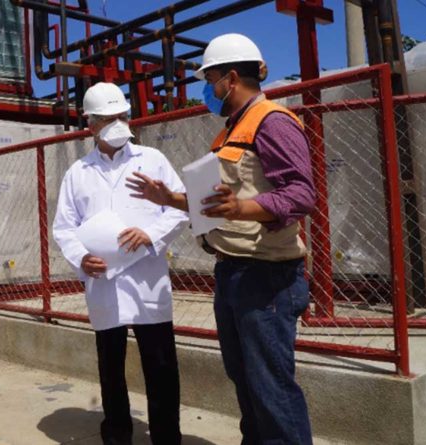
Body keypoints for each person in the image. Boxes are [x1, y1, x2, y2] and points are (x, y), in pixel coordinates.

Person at [126, 33, 316, 444]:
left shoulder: (272, 121)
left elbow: (302, 194)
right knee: (245, 378)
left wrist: (242, 209)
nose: (205, 89)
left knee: (271, 385)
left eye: (209, 78)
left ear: (230, 78)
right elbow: (217, 203)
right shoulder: (231, 131)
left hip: (267, 277)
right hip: (233, 273)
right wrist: (170, 198)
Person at [53, 82, 189, 445]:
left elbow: (178, 210)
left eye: (122, 116)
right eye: (108, 118)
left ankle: (166, 437)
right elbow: (64, 228)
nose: (117, 124)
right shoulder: (77, 173)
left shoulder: (153, 160)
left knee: (161, 367)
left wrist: (151, 235)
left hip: (148, 281)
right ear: (91, 125)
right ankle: (116, 434)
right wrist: (82, 258)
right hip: (105, 283)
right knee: (110, 368)